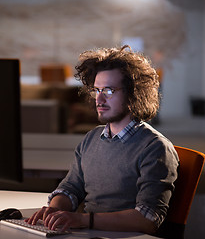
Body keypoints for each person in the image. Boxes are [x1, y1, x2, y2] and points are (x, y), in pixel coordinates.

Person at [25, 45, 179, 235]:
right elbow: (70, 187)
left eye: (109, 91)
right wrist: (55, 210)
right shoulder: (91, 139)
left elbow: (147, 219)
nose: (99, 99)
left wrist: (82, 220)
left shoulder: (156, 148)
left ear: (133, 94)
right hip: (87, 232)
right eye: (97, 90)